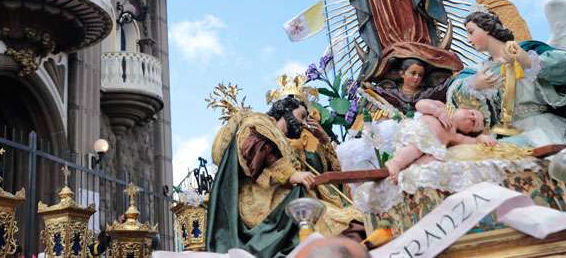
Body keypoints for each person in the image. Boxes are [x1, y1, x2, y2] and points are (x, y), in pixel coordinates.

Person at [206, 90, 363, 257]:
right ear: (286, 110)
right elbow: (255, 145)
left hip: (293, 203)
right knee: (350, 227)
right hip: (270, 207)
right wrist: (290, 175)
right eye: (302, 116)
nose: (304, 123)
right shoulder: (259, 121)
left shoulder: (288, 146)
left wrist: (323, 139)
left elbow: (318, 170)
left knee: (355, 225)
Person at [448, 10, 566, 147]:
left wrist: (529, 62)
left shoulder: (529, 50)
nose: (468, 40)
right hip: (504, 133)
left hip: (540, 127)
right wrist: (474, 84)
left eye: (471, 32)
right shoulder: (479, 70)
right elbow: (457, 93)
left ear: (486, 28)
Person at [384, 99, 494, 181]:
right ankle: (396, 163)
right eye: (472, 113)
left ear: (467, 131)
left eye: (474, 123)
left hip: (431, 149)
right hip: (420, 134)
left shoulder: (456, 136)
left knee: (435, 160)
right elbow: (420, 104)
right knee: (415, 148)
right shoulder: (443, 108)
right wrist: (437, 112)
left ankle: (407, 174)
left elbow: (473, 141)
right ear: (462, 108)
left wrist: (481, 138)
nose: (471, 117)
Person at [370, 58, 451, 114]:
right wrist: (369, 86)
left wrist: (453, 77)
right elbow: (376, 91)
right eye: (413, 73)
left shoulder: (426, 93)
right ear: (402, 74)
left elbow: (442, 88)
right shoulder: (392, 92)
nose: (416, 77)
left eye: (420, 75)